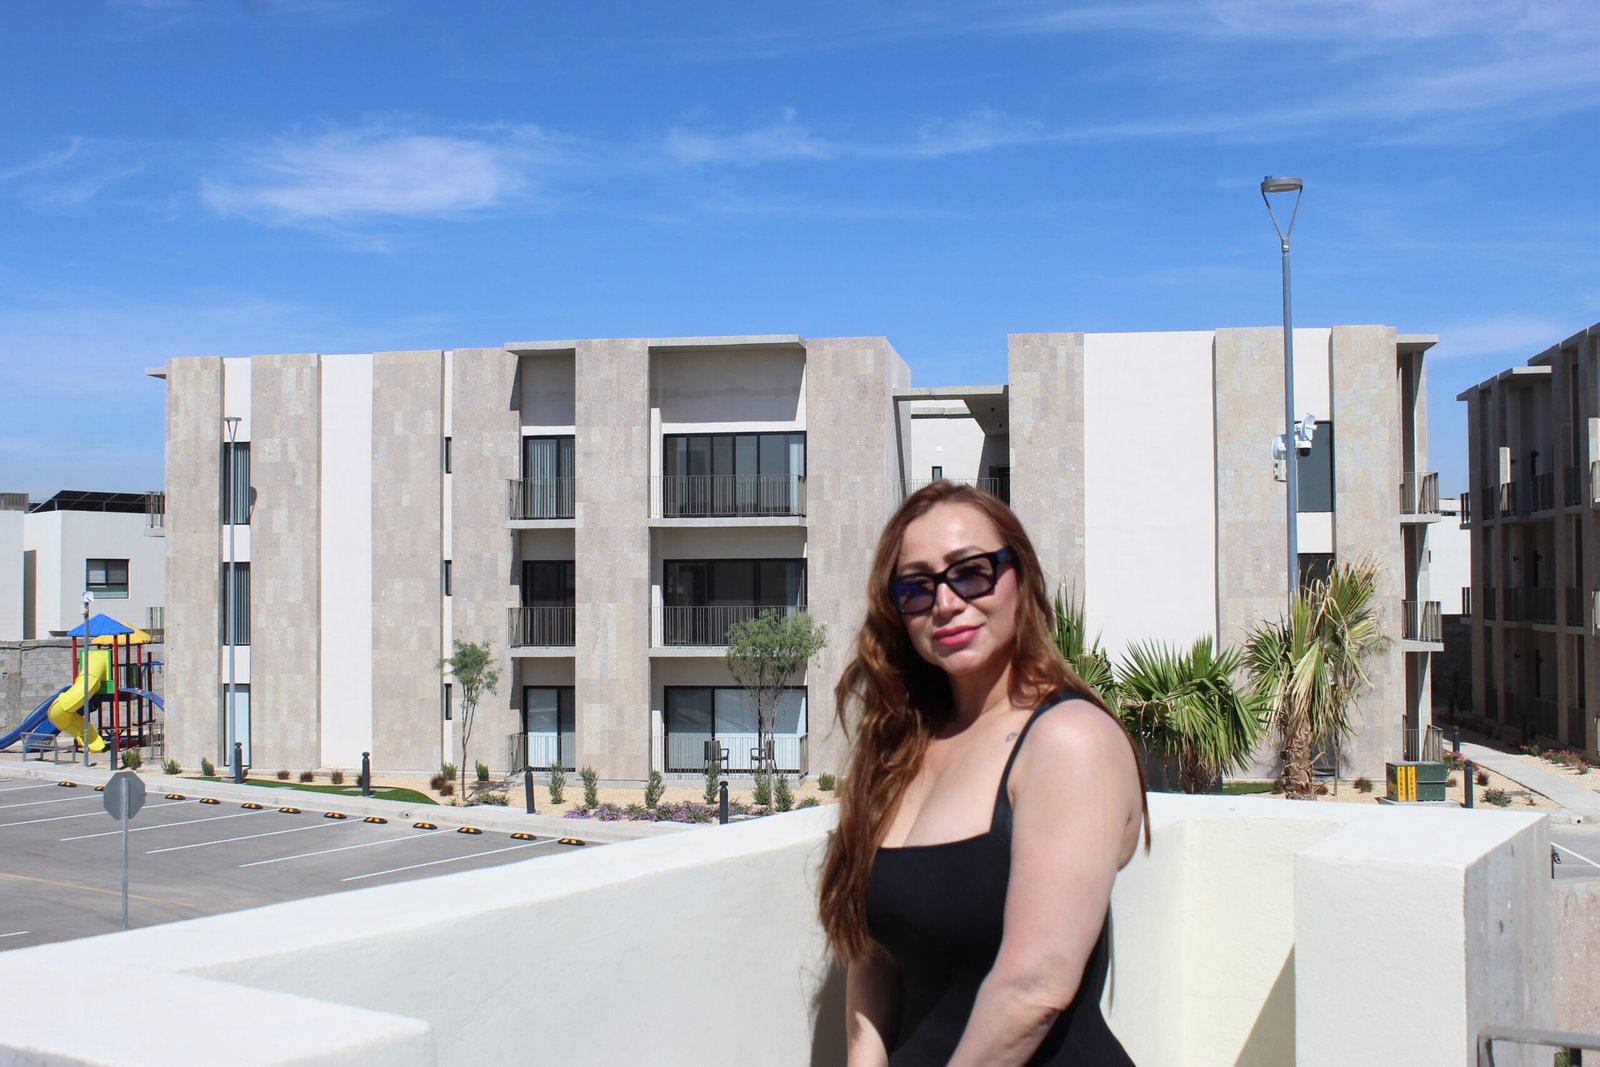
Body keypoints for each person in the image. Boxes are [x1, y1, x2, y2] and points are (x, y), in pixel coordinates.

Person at [817, 482, 1148, 1066]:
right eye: (916, 587)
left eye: (971, 573)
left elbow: (1035, 989)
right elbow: (875, 955)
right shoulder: (900, 751)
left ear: (1021, 577)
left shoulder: (1070, 740)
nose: (945, 603)